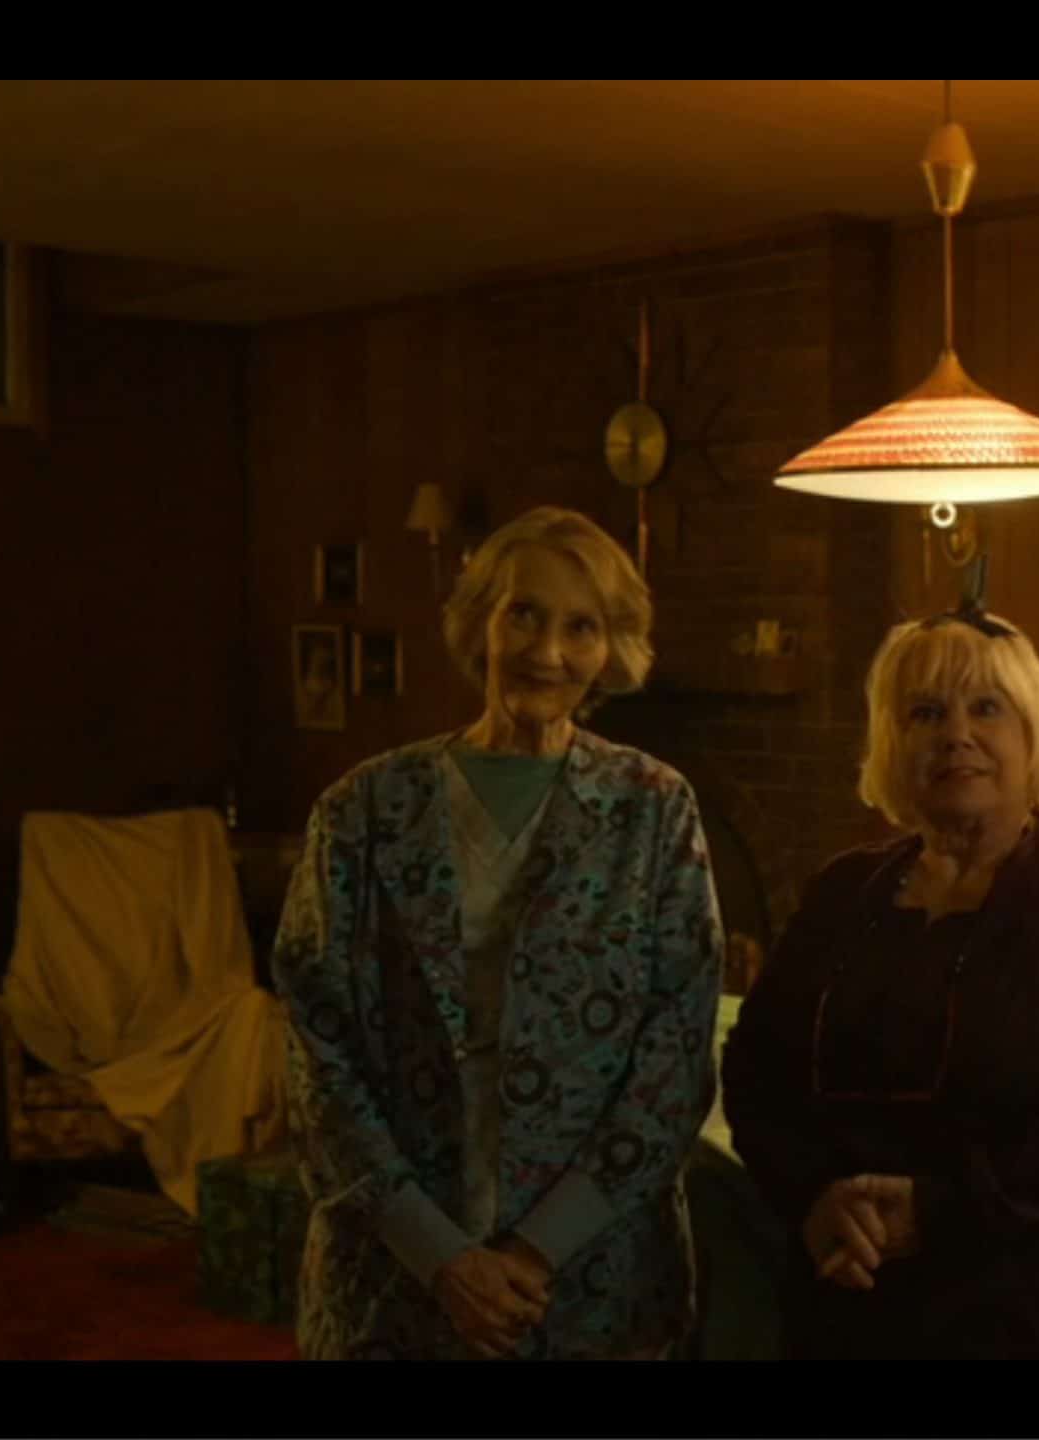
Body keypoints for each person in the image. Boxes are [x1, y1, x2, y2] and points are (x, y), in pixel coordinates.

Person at [272, 504, 723, 1360]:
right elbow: (316, 1055)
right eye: (523, 614)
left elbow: (675, 1060)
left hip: (594, 1286)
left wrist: (533, 1250)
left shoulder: (654, 809)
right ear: (480, 618)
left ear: (610, 649)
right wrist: (441, 1257)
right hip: (396, 1280)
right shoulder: (364, 809)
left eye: (580, 627)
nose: (547, 652)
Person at [719, 603, 1039, 1359]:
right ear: (893, 743)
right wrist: (810, 1199)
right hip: (859, 1302)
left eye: (986, 708)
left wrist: (939, 1211)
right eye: (926, 712)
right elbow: (756, 1068)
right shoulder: (843, 891)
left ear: (1031, 733)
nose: (956, 734)